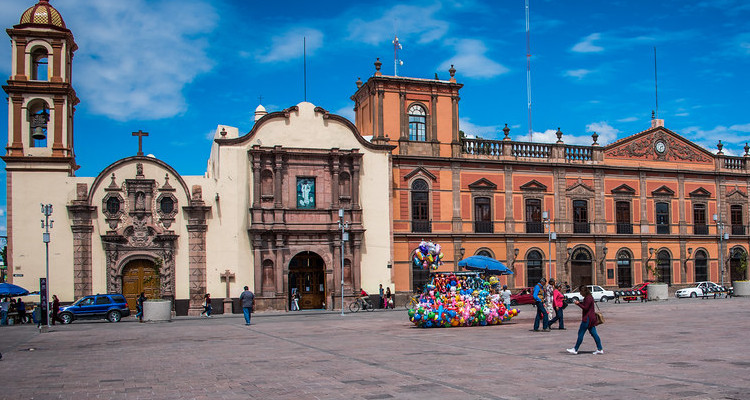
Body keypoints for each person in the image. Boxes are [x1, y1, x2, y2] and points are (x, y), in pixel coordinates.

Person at [567, 285, 604, 355]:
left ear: (583, 291)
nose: (580, 293)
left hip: (587, 318)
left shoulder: (588, 298)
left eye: (580, 292)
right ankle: (600, 348)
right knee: (594, 334)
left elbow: (585, 308)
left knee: (581, 333)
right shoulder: (589, 297)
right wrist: (580, 303)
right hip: (591, 318)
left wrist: (578, 304)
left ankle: (575, 349)